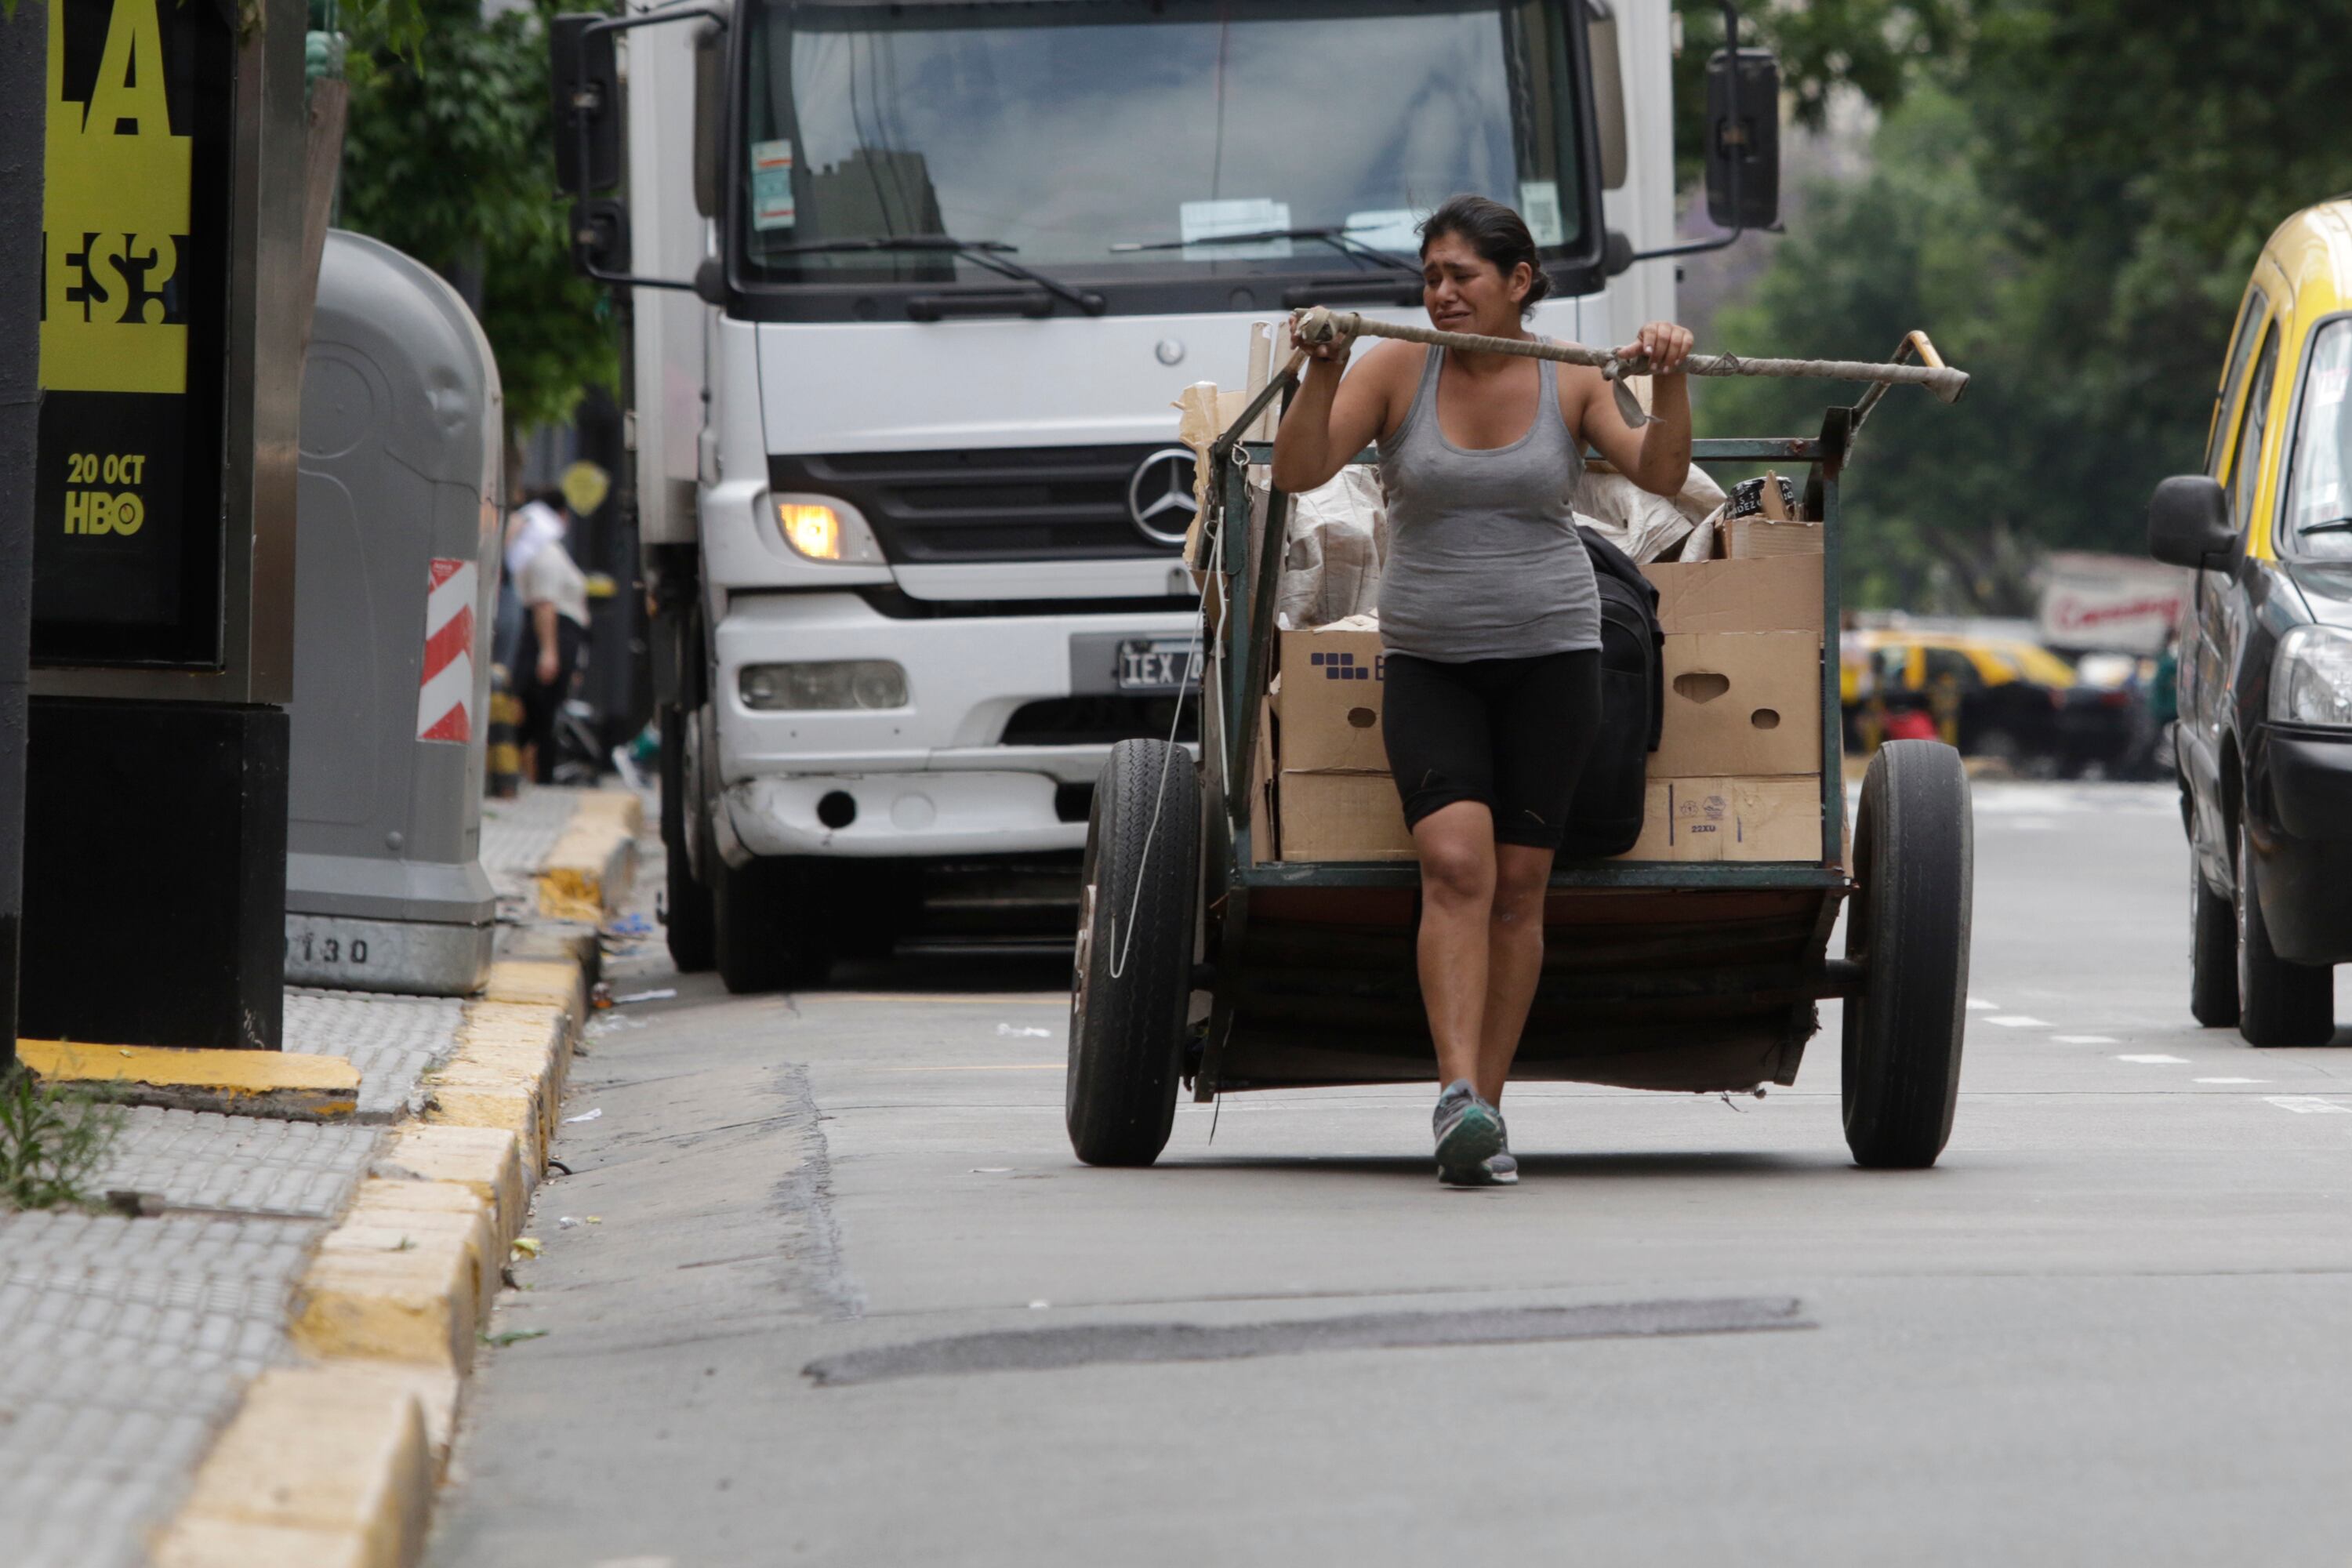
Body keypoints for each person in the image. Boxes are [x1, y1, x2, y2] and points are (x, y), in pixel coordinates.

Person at [1271, 194, 1693, 1186]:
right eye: (1429, 278)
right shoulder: (1391, 368)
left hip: (1555, 656)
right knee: (1454, 863)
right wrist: (1319, 368)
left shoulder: (1574, 378)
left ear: (1520, 283)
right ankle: (1455, 1090)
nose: (1442, 293)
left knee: (1519, 886)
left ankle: (1486, 1113)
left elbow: (1665, 470)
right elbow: (1297, 467)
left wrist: (1670, 380)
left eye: (1462, 276)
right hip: (1430, 659)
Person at [506, 489, 591, 785]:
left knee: (543, 710)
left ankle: (537, 774)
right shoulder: (544, 551)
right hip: (554, 635)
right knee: (541, 711)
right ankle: (538, 777)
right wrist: (550, 651)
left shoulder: (539, 548)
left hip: (557, 633)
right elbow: (545, 604)